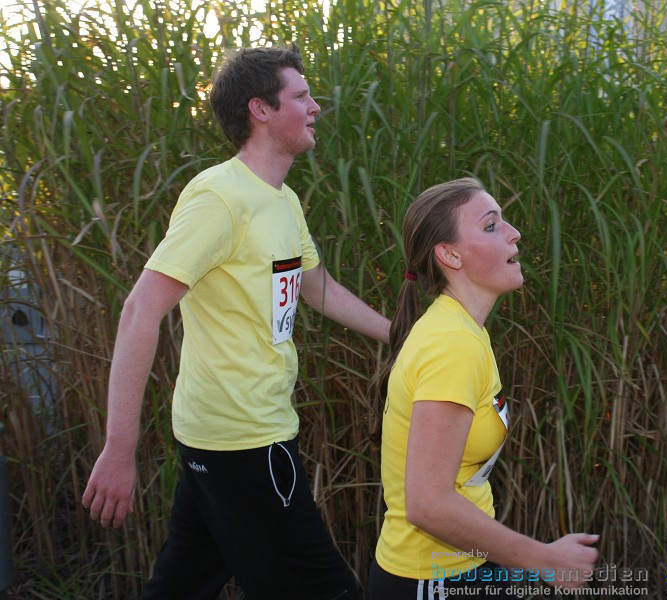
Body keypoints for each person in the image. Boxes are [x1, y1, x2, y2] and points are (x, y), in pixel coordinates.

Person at [81, 45, 389, 600]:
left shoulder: (282, 200)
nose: (315, 106)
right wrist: (118, 448)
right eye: (301, 95)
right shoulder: (221, 197)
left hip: (231, 437)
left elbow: (316, 287)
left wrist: (398, 334)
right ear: (260, 109)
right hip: (244, 442)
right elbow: (140, 309)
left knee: (181, 585)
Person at [368, 178, 599, 599]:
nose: (515, 233)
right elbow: (428, 505)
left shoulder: (457, 329)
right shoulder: (452, 344)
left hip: (463, 567)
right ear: (450, 254)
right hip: (430, 578)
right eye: (491, 226)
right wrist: (542, 559)